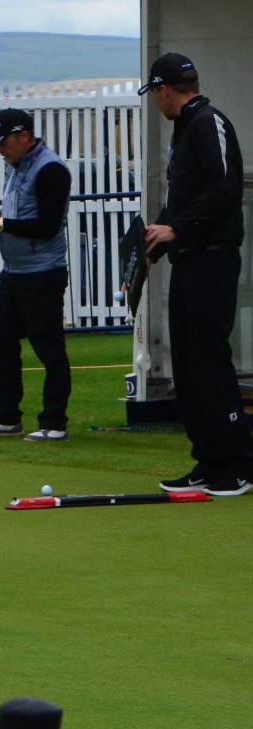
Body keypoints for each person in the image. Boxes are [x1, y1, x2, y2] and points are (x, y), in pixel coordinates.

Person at [141, 52, 251, 497]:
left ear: (163, 90)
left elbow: (226, 188)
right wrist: (153, 249)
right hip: (189, 259)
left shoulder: (209, 122)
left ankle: (241, 464)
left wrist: (179, 228)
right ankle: (208, 460)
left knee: (208, 364)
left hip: (213, 259)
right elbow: (180, 201)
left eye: (154, 94)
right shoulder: (185, 129)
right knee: (185, 368)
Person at [0, 109, 74, 441]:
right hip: (13, 273)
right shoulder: (17, 167)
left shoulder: (52, 170)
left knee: (49, 348)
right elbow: (19, 214)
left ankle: (54, 423)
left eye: (3, 144)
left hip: (42, 274)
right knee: (0, 340)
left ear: (23, 137)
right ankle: (7, 417)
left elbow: (47, 226)